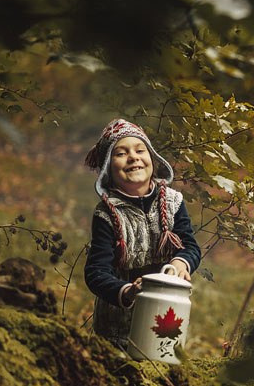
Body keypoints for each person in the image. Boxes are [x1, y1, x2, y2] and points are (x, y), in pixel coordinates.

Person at [83, 119, 201, 349]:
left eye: (140, 150)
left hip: (166, 317)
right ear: (108, 168)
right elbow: (96, 272)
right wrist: (127, 291)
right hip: (116, 329)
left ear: (153, 160)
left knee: (162, 364)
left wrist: (180, 262)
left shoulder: (172, 202)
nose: (133, 157)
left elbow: (190, 246)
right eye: (121, 153)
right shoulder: (107, 214)